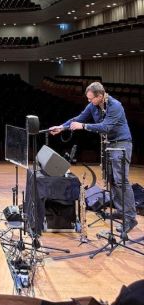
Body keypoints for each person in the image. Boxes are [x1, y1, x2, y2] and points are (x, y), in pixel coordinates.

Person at [49, 81, 137, 233]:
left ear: (101, 96)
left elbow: (105, 126)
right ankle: (121, 211)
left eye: (91, 99)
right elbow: (79, 118)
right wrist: (62, 127)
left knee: (121, 181)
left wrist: (83, 127)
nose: (89, 102)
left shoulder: (115, 106)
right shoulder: (93, 106)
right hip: (109, 144)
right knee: (112, 180)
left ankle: (130, 218)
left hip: (121, 145)